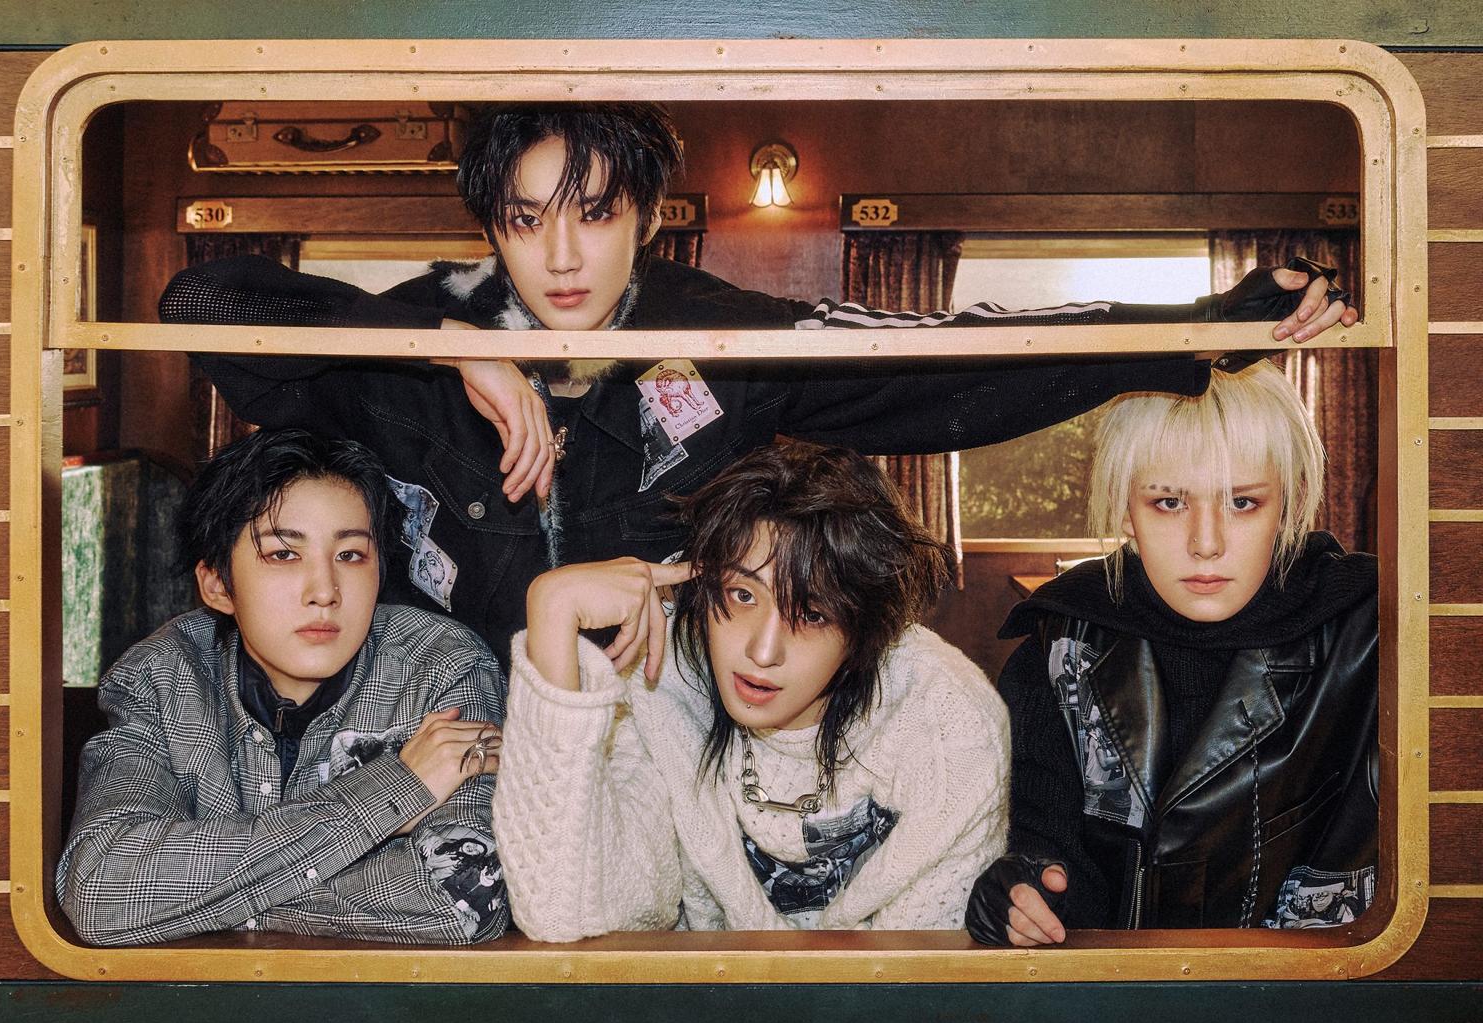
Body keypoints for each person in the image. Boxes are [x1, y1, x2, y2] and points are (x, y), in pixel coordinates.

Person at [159, 102, 1359, 663]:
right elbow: (199, 307)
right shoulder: (418, 341)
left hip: (658, 717)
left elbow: (951, 357)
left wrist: (1197, 332)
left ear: (647, 214)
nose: (562, 257)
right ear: (492, 228)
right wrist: (442, 344)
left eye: (595, 214)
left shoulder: (719, 335)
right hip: (453, 723)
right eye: (525, 222)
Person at [492, 441, 1009, 939]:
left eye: (812, 614)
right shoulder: (660, 679)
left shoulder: (946, 722)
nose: (762, 652)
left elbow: (913, 974)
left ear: (866, 630)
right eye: (742, 594)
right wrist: (552, 610)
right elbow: (562, 913)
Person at [963, 360, 1378, 944]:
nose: (1205, 544)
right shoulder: (1058, 648)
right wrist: (1022, 894)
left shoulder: (1378, 629)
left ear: (1289, 503)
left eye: (1242, 503)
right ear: (1125, 508)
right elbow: (1048, 855)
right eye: (1168, 503)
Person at [56, 428, 509, 946]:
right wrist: (395, 790)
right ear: (218, 585)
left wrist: (197, 901)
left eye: (351, 555)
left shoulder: (442, 664)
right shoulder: (161, 675)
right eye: (283, 555)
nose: (324, 592)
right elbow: (101, 890)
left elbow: (466, 897)